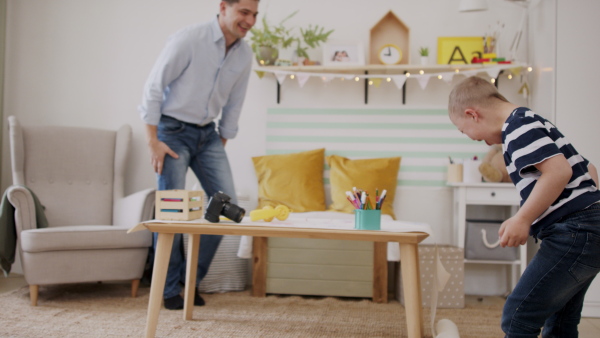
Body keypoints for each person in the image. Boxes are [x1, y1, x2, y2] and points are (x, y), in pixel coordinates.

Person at [448, 76, 600, 337]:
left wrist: (523, 218)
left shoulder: (516, 127)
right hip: (587, 229)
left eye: (464, 131)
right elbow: (588, 169)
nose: (471, 138)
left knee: (518, 314)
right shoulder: (529, 121)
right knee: (560, 318)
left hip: (575, 231)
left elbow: (558, 172)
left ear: (472, 114)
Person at [137, 0, 259, 310]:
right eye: (244, 12)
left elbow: (234, 104)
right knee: (172, 214)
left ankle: (189, 281)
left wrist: (218, 144)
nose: (250, 20)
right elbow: (154, 86)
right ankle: (167, 290)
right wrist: (152, 139)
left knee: (228, 207)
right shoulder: (189, 39)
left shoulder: (244, 54)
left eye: (255, 14)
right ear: (223, 7)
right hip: (172, 132)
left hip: (208, 135)